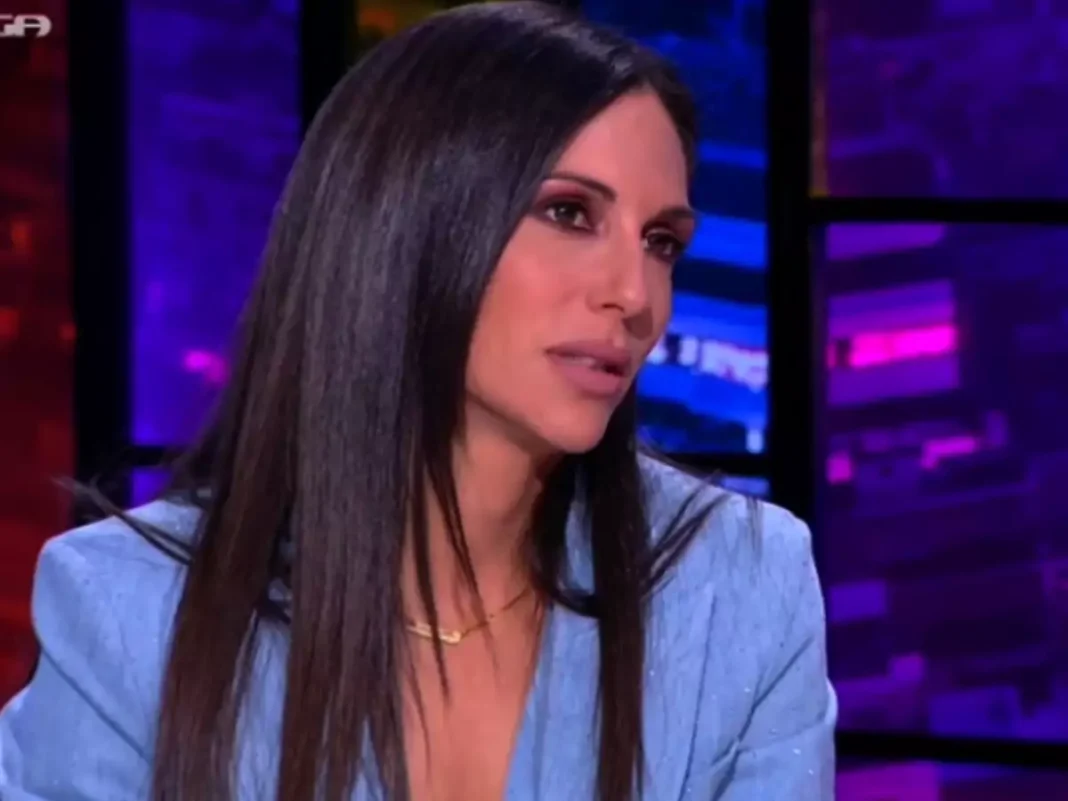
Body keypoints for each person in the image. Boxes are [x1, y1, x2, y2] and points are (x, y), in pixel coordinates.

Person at [0, 2, 836, 800]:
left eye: (661, 242)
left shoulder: (740, 586)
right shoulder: (132, 609)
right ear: (409, 223)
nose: (636, 294)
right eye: (569, 212)